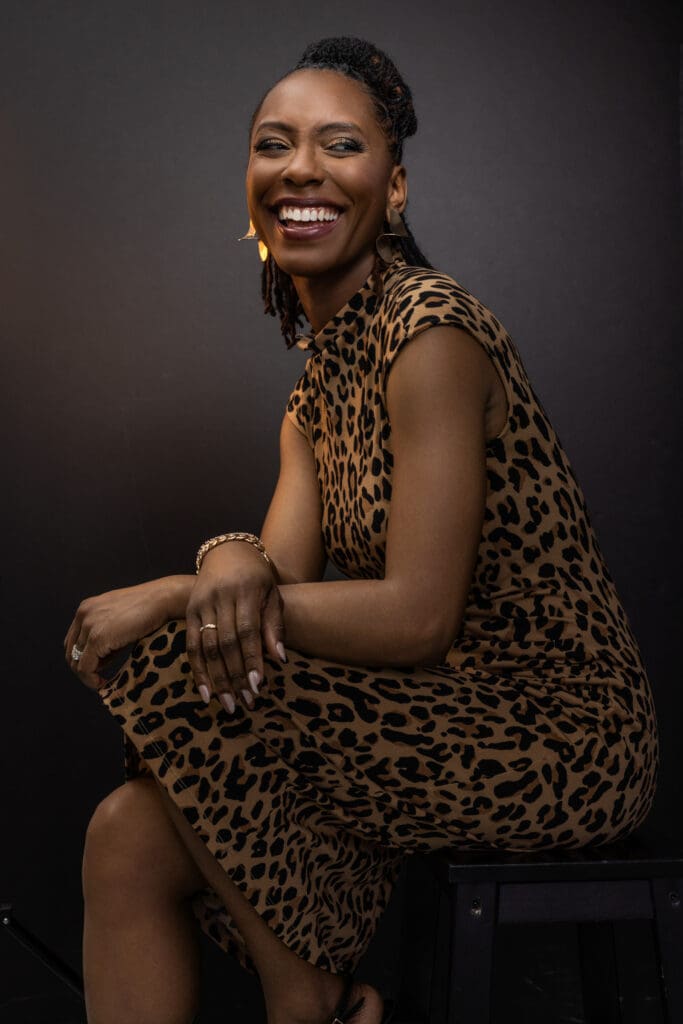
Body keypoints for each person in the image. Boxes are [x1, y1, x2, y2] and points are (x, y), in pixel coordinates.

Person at [64, 36, 658, 1024]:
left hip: (557, 734)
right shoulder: (312, 396)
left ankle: (308, 1002)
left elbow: (419, 618)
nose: (300, 167)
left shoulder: (430, 332)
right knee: (124, 832)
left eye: (338, 145)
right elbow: (266, 597)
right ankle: (320, 997)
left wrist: (176, 593)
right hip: (422, 729)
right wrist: (223, 562)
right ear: (251, 190)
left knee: (177, 650)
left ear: (392, 190)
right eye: (272, 145)